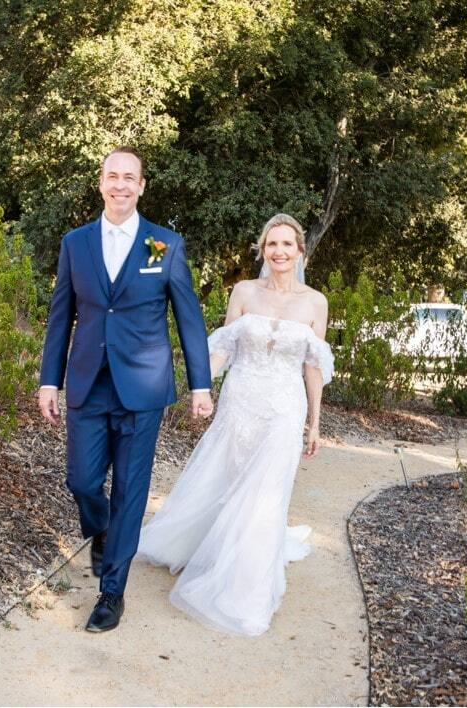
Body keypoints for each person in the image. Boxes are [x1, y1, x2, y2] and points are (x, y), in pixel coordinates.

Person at [37, 146, 213, 633]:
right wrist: (49, 379)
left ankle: (111, 593)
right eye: (112, 176)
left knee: (131, 491)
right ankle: (101, 531)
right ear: (100, 183)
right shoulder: (76, 243)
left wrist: (201, 384)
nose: (120, 184)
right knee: (83, 482)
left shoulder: (165, 245)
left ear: (141, 186)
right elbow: (61, 315)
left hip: (143, 389)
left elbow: (189, 319)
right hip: (89, 384)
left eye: (129, 177)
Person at [137, 214, 332, 636]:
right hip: (241, 400)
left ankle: (246, 590)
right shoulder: (243, 291)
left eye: (287, 244)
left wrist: (315, 422)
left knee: (267, 493)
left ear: (301, 250)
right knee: (229, 476)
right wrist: (200, 389)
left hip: (285, 408)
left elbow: (313, 367)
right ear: (262, 249)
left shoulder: (315, 302)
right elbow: (223, 349)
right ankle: (204, 545)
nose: (279, 251)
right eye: (271, 244)